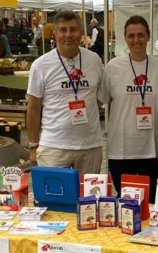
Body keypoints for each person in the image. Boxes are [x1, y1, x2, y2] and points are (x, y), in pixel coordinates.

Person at [25, 10, 105, 174]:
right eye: (63, 30)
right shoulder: (41, 65)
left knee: (88, 198)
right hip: (54, 146)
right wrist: (33, 146)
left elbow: (99, 97)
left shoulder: (94, 60)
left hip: (90, 146)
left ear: (81, 33)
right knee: (55, 199)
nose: (68, 34)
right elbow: (33, 108)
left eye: (73, 29)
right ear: (55, 34)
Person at [101, 15, 158, 198]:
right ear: (125, 38)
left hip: (153, 148)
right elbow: (100, 100)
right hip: (121, 149)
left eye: (140, 35)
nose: (136, 40)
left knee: (151, 200)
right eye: (131, 36)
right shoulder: (112, 67)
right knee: (126, 201)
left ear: (148, 36)